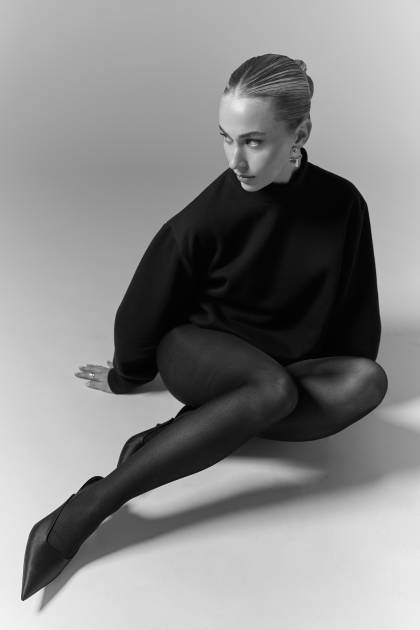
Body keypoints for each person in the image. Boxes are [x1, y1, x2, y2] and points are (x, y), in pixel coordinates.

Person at [21, 53, 388, 600]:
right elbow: (143, 304)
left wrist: (337, 368)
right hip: (197, 350)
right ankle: (87, 509)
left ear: (300, 134)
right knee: (273, 391)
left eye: (253, 141)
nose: (235, 159)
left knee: (368, 381)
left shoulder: (343, 203)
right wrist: (127, 374)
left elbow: (356, 305)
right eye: (226, 138)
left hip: (277, 369)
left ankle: (187, 434)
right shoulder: (208, 216)